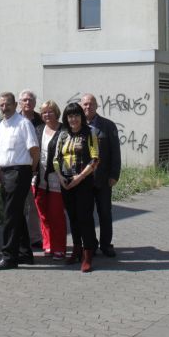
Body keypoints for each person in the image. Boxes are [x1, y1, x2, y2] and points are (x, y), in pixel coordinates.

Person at [0, 92, 39, 270]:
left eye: (7, 104)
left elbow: (34, 150)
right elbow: (2, 153)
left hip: (19, 173)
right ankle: (25, 253)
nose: (4, 108)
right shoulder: (1, 125)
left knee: (10, 216)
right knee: (16, 214)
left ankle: (9, 257)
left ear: (15, 105)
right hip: (5, 172)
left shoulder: (23, 123)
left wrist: (30, 171)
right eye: (1, 105)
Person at [57, 102, 100, 272]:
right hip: (66, 183)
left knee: (85, 218)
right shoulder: (63, 135)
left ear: (81, 117)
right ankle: (76, 248)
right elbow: (56, 159)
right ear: (66, 118)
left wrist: (80, 177)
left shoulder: (90, 133)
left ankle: (88, 253)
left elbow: (95, 159)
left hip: (83, 182)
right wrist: (61, 178)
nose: (73, 119)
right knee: (73, 217)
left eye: (76, 115)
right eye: (70, 116)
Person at [81, 93, 121, 257]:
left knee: (105, 212)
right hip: (84, 179)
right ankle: (90, 244)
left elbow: (115, 152)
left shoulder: (108, 125)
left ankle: (106, 244)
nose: (87, 107)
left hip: (103, 179)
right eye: (84, 104)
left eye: (90, 104)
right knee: (86, 213)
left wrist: (114, 175)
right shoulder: (77, 126)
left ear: (97, 106)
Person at [33, 100, 67, 260]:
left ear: (56, 113)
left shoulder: (64, 131)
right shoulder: (38, 129)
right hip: (39, 179)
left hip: (56, 180)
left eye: (50, 111)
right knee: (43, 214)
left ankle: (59, 247)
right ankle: (48, 244)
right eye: (44, 112)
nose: (47, 114)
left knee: (56, 215)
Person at [18, 89, 43, 250]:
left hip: (37, 168)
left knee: (34, 205)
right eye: (25, 100)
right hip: (18, 168)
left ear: (34, 103)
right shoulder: (13, 119)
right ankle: (20, 238)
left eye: (30, 100)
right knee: (19, 205)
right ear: (20, 103)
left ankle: (34, 237)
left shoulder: (41, 120)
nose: (28, 102)